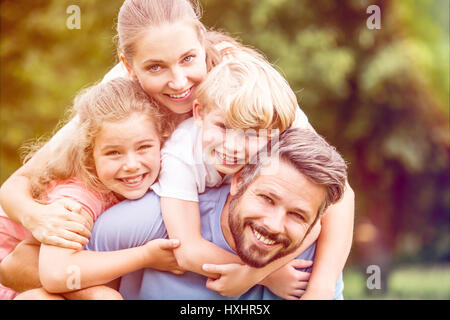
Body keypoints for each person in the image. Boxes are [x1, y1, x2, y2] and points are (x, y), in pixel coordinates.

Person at [0, 0, 354, 299]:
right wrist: (37, 217)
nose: (179, 82)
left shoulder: (244, 91)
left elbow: (333, 190)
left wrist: (318, 290)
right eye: (155, 67)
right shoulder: (117, 105)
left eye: (188, 59)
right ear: (129, 67)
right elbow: (16, 190)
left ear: (203, 44)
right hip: (39, 243)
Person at [85, 127, 348, 299]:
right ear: (238, 180)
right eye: (267, 199)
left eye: (297, 215)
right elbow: (57, 275)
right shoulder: (154, 220)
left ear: (316, 221)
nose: (275, 225)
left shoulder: (314, 266)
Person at [152, 49, 323, 298]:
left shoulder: (277, 148)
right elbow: (188, 251)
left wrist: (251, 276)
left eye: (251, 133)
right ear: (199, 113)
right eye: (222, 127)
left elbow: (316, 224)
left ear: (275, 134)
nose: (232, 147)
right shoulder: (180, 156)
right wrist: (266, 275)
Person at [0, 78, 184, 300]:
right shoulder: (77, 196)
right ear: (89, 155)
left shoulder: (168, 170)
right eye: (113, 153)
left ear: (162, 141)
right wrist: (146, 256)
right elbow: (55, 274)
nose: (132, 165)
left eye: (144, 147)